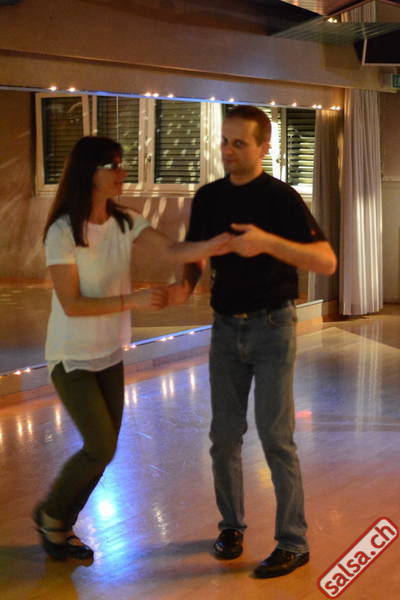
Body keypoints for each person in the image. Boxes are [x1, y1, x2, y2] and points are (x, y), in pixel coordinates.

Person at [34, 135, 231, 561]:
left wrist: (216, 244)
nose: (122, 172)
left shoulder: (125, 221)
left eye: (122, 163)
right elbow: (72, 304)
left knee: (102, 452)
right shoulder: (63, 230)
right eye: (113, 165)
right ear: (89, 172)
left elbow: (174, 249)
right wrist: (134, 300)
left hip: (110, 353)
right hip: (72, 357)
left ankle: (60, 525)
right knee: (100, 447)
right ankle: (50, 515)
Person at [166, 105, 337, 578]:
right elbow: (195, 253)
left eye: (239, 143)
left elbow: (326, 261)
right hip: (225, 329)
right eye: (225, 141)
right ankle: (231, 527)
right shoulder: (208, 197)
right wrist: (186, 284)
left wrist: (267, 242)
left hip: (273, 328)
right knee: (224, 437)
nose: (229, 150)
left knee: (277, 438)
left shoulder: (281, 198)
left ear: (264, 147)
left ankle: (294, 542)